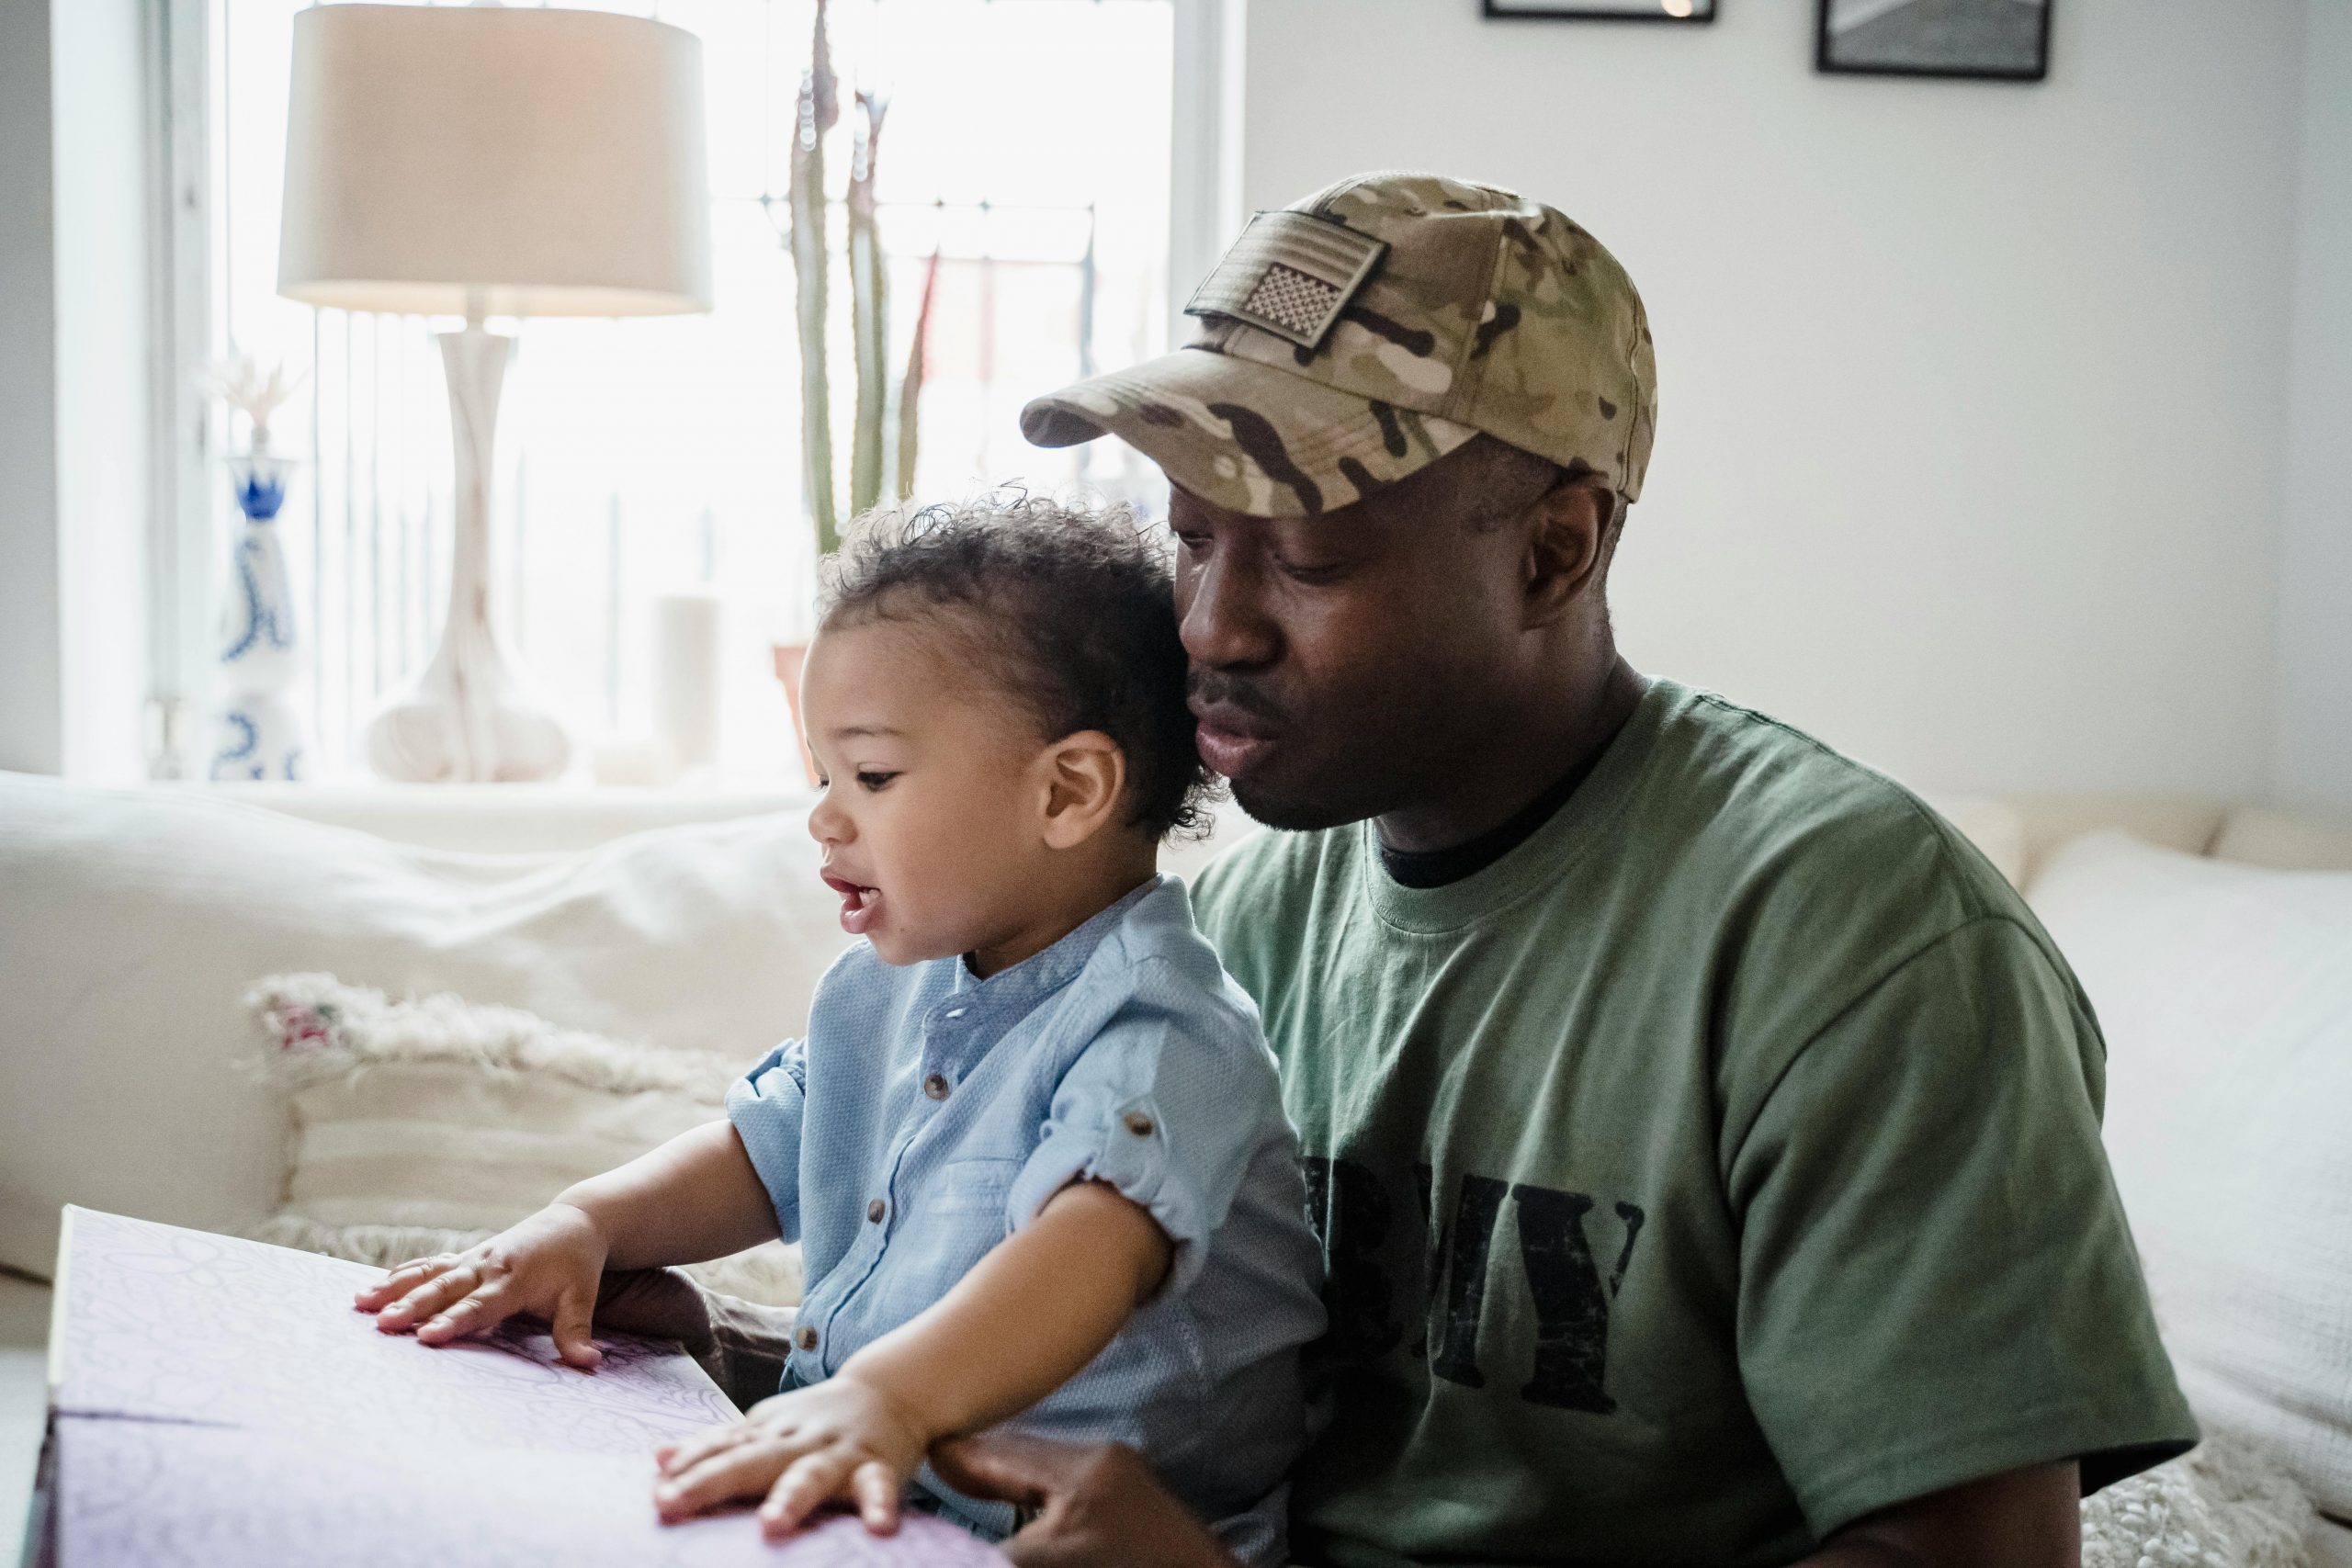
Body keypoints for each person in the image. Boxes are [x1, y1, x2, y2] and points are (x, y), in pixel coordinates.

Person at [354, 501, 1326, 1562]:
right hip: (884, 1500)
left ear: (1067, 792)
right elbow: (767, 1149)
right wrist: (588, 1224)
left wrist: (885, 1399)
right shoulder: (881, 991)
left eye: (870, 777)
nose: (824, 814)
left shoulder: (1163, 1027)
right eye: (821, 774)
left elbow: (1088, 1251)